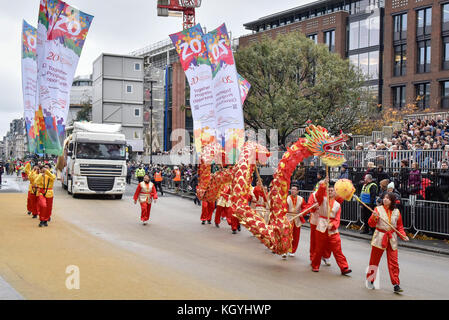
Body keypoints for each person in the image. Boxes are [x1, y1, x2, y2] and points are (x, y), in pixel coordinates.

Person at [366, 193, 409, 293]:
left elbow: (399, 227)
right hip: (380, 237)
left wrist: (403, 235)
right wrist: (374, 217)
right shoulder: (377, 209)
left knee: (394, 262)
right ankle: (370, 280)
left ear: (392, 201)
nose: (385, 200)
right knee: (374, 260)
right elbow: (371, 224)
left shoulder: (397, 211)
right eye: (384, 198)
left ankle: (396, 284)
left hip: (392, 238)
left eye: (388, 198)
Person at [309, 180, 352, 275]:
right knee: (319, 248)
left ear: (335, 192)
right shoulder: (322, 200)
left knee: (337, 249)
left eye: (332, 190)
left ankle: (344, 267)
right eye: (328, 190)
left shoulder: (337, 204)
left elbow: (337, 218)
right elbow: (319, 194)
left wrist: (333, 225)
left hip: (332, 228)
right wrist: (323, 184)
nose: (330, 192)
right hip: (321, 225)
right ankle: (315, 265)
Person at [283, 185, 307, 259]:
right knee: (286, 234)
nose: (293, 190)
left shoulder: (301, 199)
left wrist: (302, 212)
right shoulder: (287, 198)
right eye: (292, 189)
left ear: (297, 191)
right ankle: (285, 250)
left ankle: (293, 251)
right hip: (288, 217)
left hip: (297, 218)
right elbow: (284, 207)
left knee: (296, 236)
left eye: (294, 189)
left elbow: (305, 208)